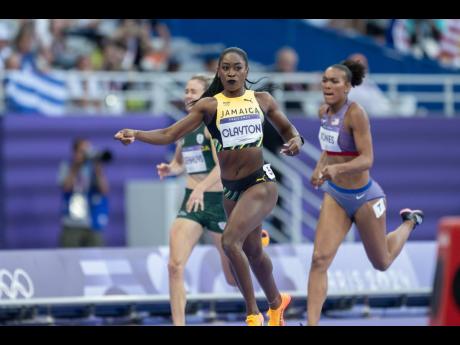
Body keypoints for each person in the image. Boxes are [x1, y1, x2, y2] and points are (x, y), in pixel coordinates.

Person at [115, 47, 305, 326]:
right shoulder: (209, 106)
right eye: (225, 67)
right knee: (252, 251)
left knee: (230, 241)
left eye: (237, 67)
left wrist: (297, 140)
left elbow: (288, 130)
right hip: (231, 189)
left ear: (246, 71)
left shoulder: (262, 100)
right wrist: (137, 134)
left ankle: (253, 315)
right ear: (219, 71)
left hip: (261, 182)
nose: (231, 72)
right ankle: (277, 303)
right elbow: (171, 134)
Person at [306, 59, 424, 326]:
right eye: (325, 79)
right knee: (319, 259)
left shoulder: (356, 113)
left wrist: (339, 169)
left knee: (381, 262)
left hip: (365, 197)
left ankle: (409, 223)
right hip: (335, 195)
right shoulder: (323, 111)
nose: (327, 85)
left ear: (347, 87)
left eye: (334, 81)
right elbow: (329, 148)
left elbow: (367, 159)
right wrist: (320, 167)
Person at [156, 74, 236, 326]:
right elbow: (183, 161)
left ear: (206, 96)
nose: (188, 95)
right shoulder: (184, 127)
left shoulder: (215, 127)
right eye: (186, 90)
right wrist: (171, 168)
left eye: (194, 91)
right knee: (175, 266)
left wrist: (203, 187)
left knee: (232, 277)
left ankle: (267, 300)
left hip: (219, 203)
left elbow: (223, 168)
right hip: (192, 201)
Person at [57, 138, 110, 247]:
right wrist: (75, 167)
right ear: (75, 152)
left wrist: (98, 170)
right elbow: (66, 187)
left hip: (92, 222)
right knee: (69, 257)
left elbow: (104, 190)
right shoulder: (67, 166)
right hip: (72, 223)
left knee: (96, 258)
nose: (86, 154)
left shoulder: (93, 168)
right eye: (83, 151)